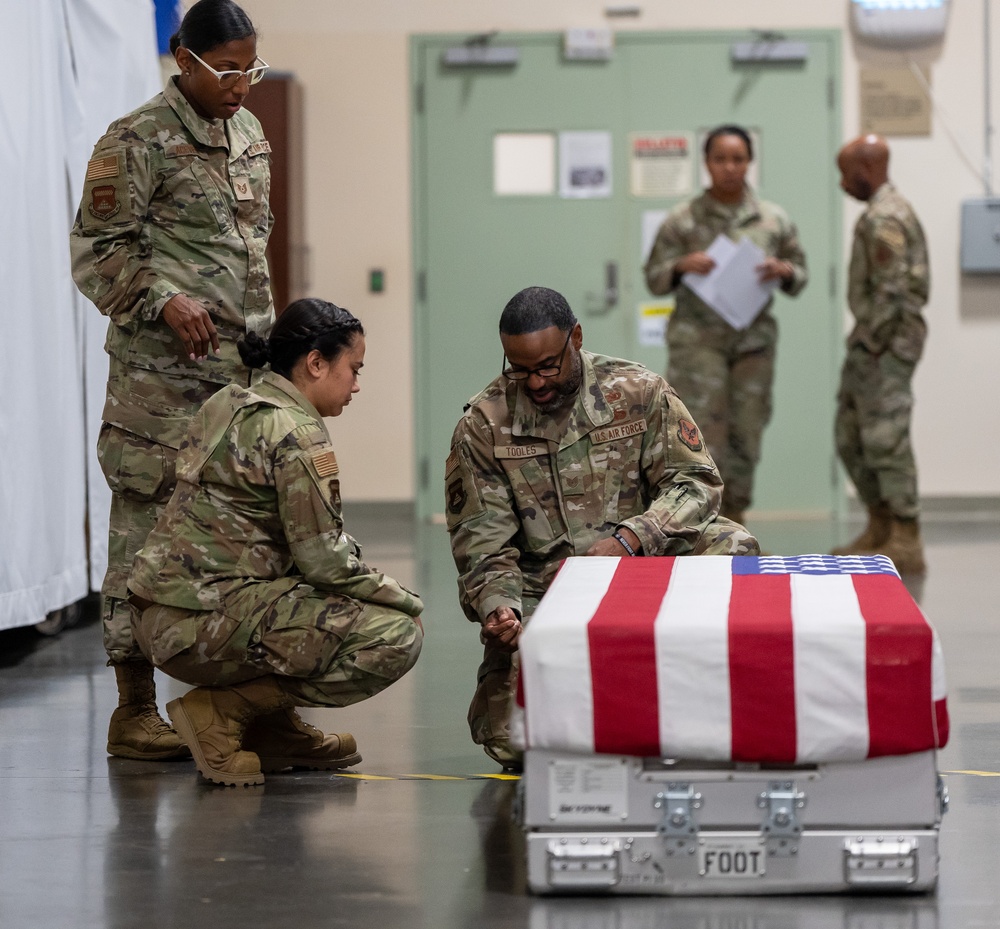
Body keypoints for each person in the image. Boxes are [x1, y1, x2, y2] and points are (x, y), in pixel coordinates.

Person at [69, 0, 274, 761]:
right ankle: (133, 708)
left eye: (250, 68)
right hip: (158, 387)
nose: (241, 84)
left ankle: (242, 702)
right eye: (227, 70)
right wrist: (163, 298)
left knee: (246, 531)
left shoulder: (249, 133)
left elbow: (253, 250)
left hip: (239, 379)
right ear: (183, 60)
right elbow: (97, 252)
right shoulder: (133, 141)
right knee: (144, 532)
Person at [445, 286, 759, 770]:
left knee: (732, 544)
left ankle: (693, 684)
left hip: (641, 568)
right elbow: (483, 543)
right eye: (520, 368)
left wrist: (631, 539)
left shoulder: (638, 392)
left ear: (576, 337)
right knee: (514, 739)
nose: (536, 382)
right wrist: (499, 607)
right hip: (544, 585)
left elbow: (697, 483)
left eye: (549, 365)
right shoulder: (484, 425)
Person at [128, 298, 425, 787]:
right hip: (198, 623)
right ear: (315, 363)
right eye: (353, 368)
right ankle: (219, 713)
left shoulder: (230, 400)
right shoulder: (297, 431)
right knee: (395, 636)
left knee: (305, 596)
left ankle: (271, 729)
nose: (356, 384)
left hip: (159, 614)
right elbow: (325, 562)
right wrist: (404, 598)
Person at [643, 125, 808, 524]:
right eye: (721, 159)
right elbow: (653, 277)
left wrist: (783, 271)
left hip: (753, 346)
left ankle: (737, 523)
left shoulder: (772, 219)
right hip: (699, 345)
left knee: (747, 435)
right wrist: (681, 266)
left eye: (738, 159)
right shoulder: (682, 220)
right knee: (699, 436)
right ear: (707, 163)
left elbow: (799, 275)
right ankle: (703, 527)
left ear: (750, 162)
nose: (730, 167)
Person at [831, 135, 929, 575]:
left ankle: (906, 536)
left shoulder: (885, 217)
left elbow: (891, 290)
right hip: (872, 342)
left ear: (865, 170)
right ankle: (880, 525)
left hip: (884, 345)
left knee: (886, 440)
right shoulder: (878, 214)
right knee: (851, 435)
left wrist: (870, 342)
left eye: (846, 174)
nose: (843, 183)